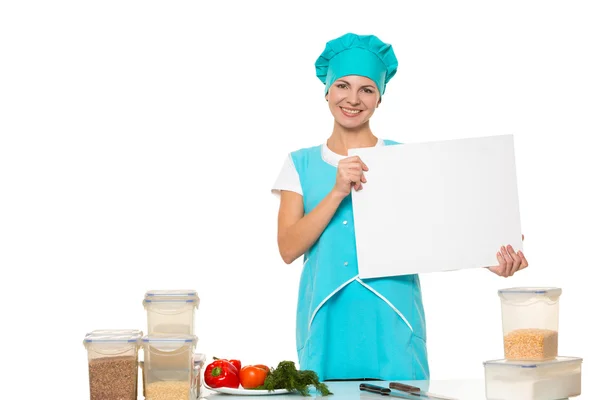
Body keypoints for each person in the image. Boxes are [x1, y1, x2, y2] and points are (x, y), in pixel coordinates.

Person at [271, 32, 529, 381]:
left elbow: (441, 229)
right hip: (325, 320)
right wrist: (336, 192)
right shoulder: (299, 163)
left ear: (379, 99)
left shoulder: (404, 160)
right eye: (343, 86)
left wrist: (490, 256)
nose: (352, 99)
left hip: (393, 319)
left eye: (367, 90)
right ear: (327, 91)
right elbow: (288, 248)